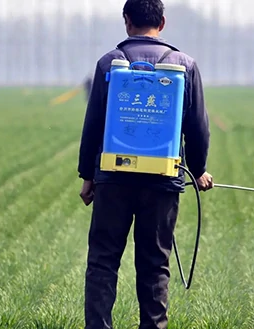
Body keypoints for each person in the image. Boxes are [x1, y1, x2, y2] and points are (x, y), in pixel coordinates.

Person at [77, 0, 213, 328]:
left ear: (126, 21)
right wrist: (197, 170)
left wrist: (87, 175)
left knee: (103, 262)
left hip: (113, 176)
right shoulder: (184, 65)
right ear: (162, 23)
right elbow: (197, 127)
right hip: (163, 180)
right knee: (154, 265)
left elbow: (94, 122)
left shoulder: (109, 63)